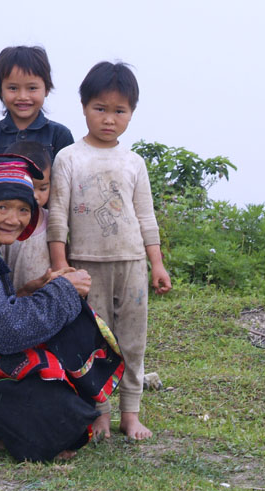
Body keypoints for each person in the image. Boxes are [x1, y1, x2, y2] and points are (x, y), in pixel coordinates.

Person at [0, 155, 124, 462]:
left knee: (60, 389)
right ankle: (1, 429)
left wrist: (31, 290)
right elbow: (0, 328)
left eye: (22, 209)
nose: (13, 219)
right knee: (57, 411)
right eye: (1, 207)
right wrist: (63, 291)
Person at [48, 61, 172, 441]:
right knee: (92, 343)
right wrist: (61, 265)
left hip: (132, 264)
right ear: (84, 106)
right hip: (86, 267)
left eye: (120, 111)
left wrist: (157, 264)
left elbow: (146, 217)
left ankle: (130, 414)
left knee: (132, 340)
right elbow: (57, 215)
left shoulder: (134, 163)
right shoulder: (68, 157)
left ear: (131, 113)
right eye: (100, 108)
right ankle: (98, 412)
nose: (109, 119)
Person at [0, 46, 74, 163]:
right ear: (0, 90)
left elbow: (69, 179)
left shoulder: (59, 135)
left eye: (32, 88)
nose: (23, 96)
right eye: (13, 88)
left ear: (47, 89)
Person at [0, 141, 54, 296]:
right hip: (12, 306)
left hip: (48, 305)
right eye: (28, 187)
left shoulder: (51, 221)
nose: (35, 196)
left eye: (43, 188)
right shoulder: (0, 227)